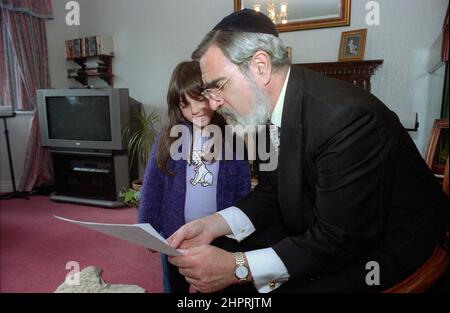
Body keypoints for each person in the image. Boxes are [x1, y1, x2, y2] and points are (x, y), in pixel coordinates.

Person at [167, 9, 448, 293]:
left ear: (260, 67)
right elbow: (270, 192)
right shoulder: (262, 109)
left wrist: (238, 268)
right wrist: (213, 225)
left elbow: (339, 241)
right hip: (321, 222)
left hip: (387, 247)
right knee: (222, 247)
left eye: (218, 87)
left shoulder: (347, 117)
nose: (213, 104)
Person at [137, 61, 251, 293]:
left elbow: (243, 189)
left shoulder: (232, 139)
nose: (195, 109)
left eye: (199, 98)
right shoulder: (168, 138)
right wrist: (146, 229)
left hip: (220, 235)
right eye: (185, 104)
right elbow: (152, 186)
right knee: (175, 285)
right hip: (174, 235)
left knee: (216, 287)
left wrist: (241, 230)